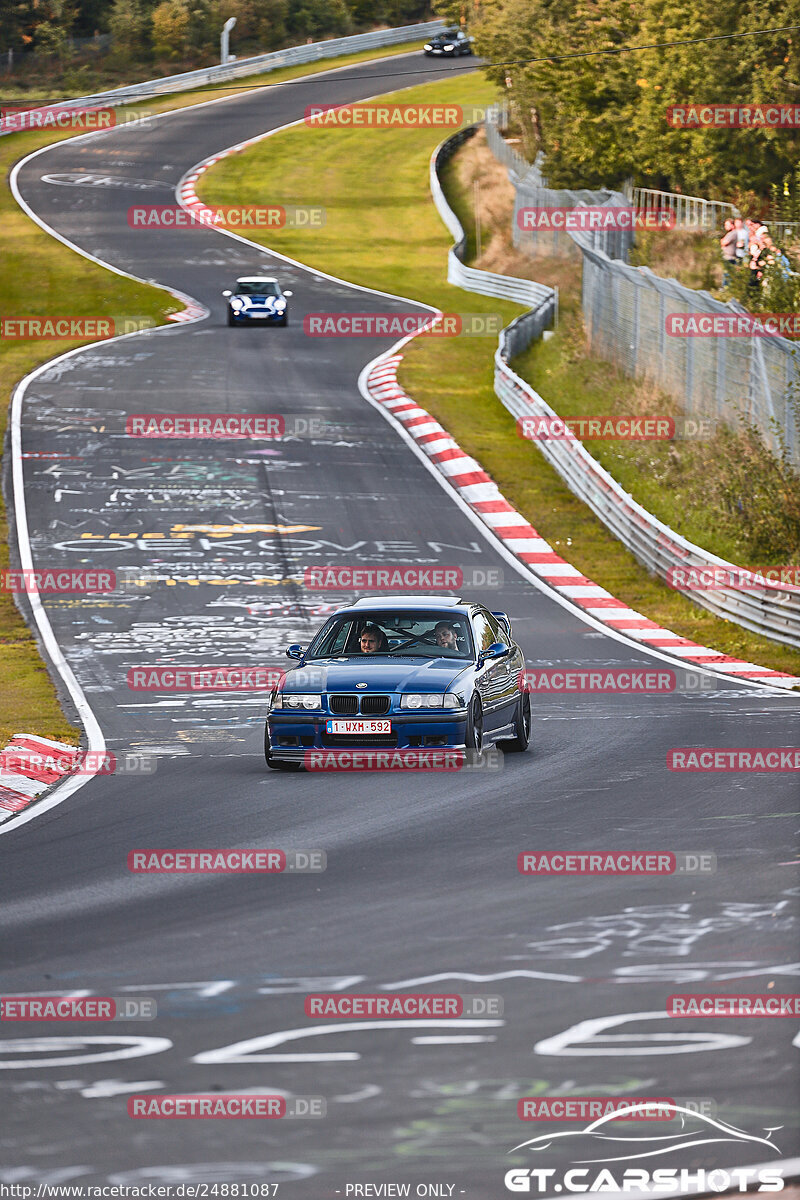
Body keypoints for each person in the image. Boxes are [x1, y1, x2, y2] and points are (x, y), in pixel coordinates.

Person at [720, 218, 737, 284]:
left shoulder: (733, 233)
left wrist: (722, 241)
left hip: (730, 257)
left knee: (728, 274)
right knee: (726, 273)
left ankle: (726, 287)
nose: (725, 226)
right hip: (727, 256)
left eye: (727, 225)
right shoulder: (729, 233)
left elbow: (724, 242)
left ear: (732, 225)